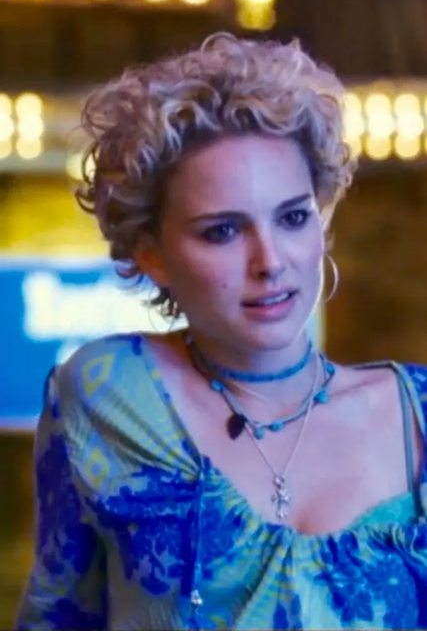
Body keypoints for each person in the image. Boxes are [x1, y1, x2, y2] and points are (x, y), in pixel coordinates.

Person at [16, 32, 427, 630]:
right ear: (151, 254)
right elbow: (55, 618)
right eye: (223, 231)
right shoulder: (106, 394)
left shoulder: (417, 417)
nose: (270, 261)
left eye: (292, 217)